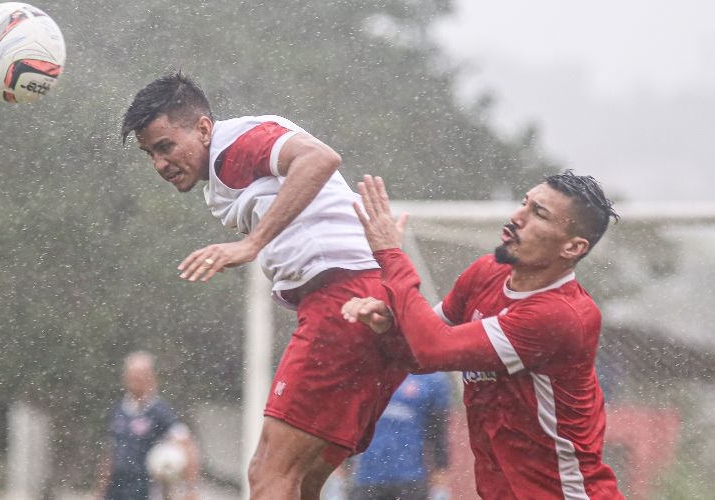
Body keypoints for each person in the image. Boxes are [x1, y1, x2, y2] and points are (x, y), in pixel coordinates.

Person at [120, 72, 414, 500]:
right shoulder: (222, 168)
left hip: (342, 304)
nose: (160, 164)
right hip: (371, 305)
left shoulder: (236, 141)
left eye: (165, 146)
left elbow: (320, 158)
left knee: (265, 476)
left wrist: (252, 243)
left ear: (203, 129)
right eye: (150, 153)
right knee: (306, 479)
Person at [342, 172, 627, 499]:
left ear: (573, 247)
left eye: (539, 214)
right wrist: (389, 326)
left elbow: (432, 347)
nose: (517, 217)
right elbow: (416, 351)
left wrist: (391, 254)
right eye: (524, 204)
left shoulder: (561, 315)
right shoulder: (486, 273)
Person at [96, 351, 200, 500]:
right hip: (116, 491)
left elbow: (188, 445)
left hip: (146, 491)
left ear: (152, 378)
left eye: (141, 374)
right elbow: (110, 454)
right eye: (132, 373)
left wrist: (190, 489)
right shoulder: (117, 411)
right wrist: (100, 491)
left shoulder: (161, 412)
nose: (136, 378)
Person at [352, 372, 452, 500]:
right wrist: (341, 465)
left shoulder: (432, 378)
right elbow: (350, 424)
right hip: (365, 476)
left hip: (411, 476)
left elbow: (438, 431)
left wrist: (441, 468)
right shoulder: (367, 372)